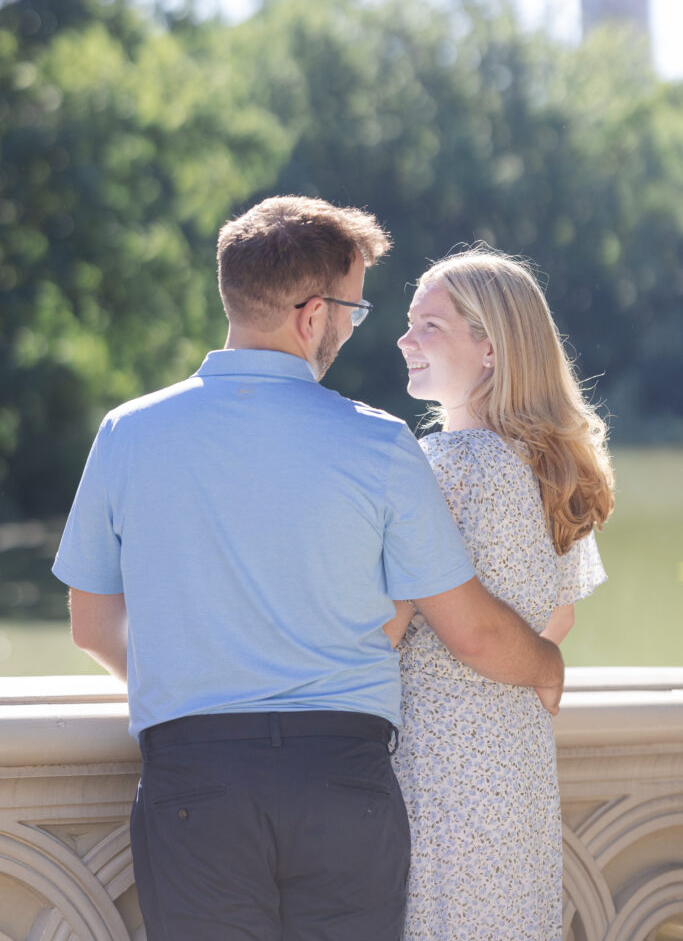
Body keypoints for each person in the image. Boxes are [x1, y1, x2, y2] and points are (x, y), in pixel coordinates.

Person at [52, 198, 564, 941]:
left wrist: (201, 684)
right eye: (352, 310)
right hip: (342, 780)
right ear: (311, 314)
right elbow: (472, 629)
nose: (354, 329)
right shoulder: (380, 444)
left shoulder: (127, 433)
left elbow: (92, 625)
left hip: (193, 777)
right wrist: (546, 661)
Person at [389, 249, 614, 941]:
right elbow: (559, 616)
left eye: (428, 326)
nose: (403, 340)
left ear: (488, 348)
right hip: (513, 755)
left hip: (436, 763)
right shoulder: (551, 463)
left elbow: (384, 624)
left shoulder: (443, 466)